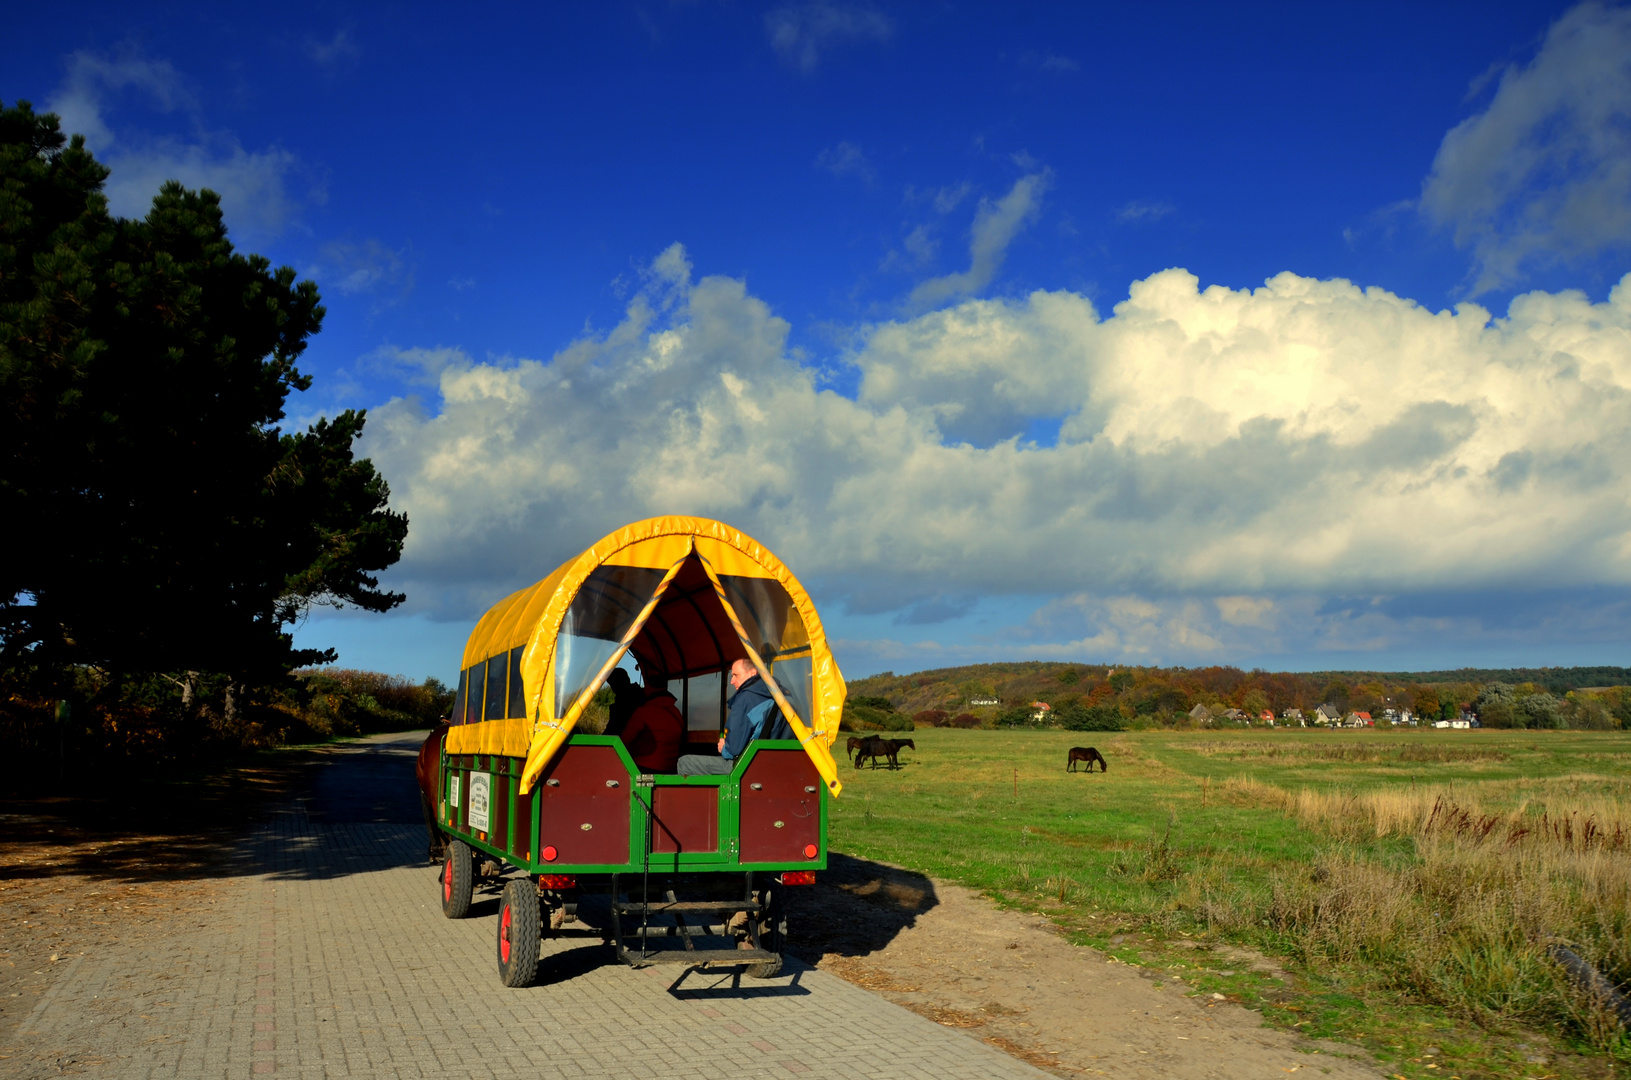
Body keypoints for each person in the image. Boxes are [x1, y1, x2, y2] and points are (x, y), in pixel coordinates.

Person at [676, 659, 794, 776]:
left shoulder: (746, 699)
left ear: (752, 673)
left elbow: (733, 750)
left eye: (735, 675)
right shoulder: (783, 695)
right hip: (780, 762)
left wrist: (724, 748)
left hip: (748, 767)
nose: (732, 681)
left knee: (685, 762)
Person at [617, 666, 685, 773]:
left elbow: (623, 741)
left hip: (644, 767)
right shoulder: (676, 712)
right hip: (671, 768)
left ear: (647, 687)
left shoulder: (643, 712)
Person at [602, 668, 643, 737]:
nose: (612, 688)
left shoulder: (623, 705)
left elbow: (613, 730)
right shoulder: (641, 695)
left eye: (613, 684)